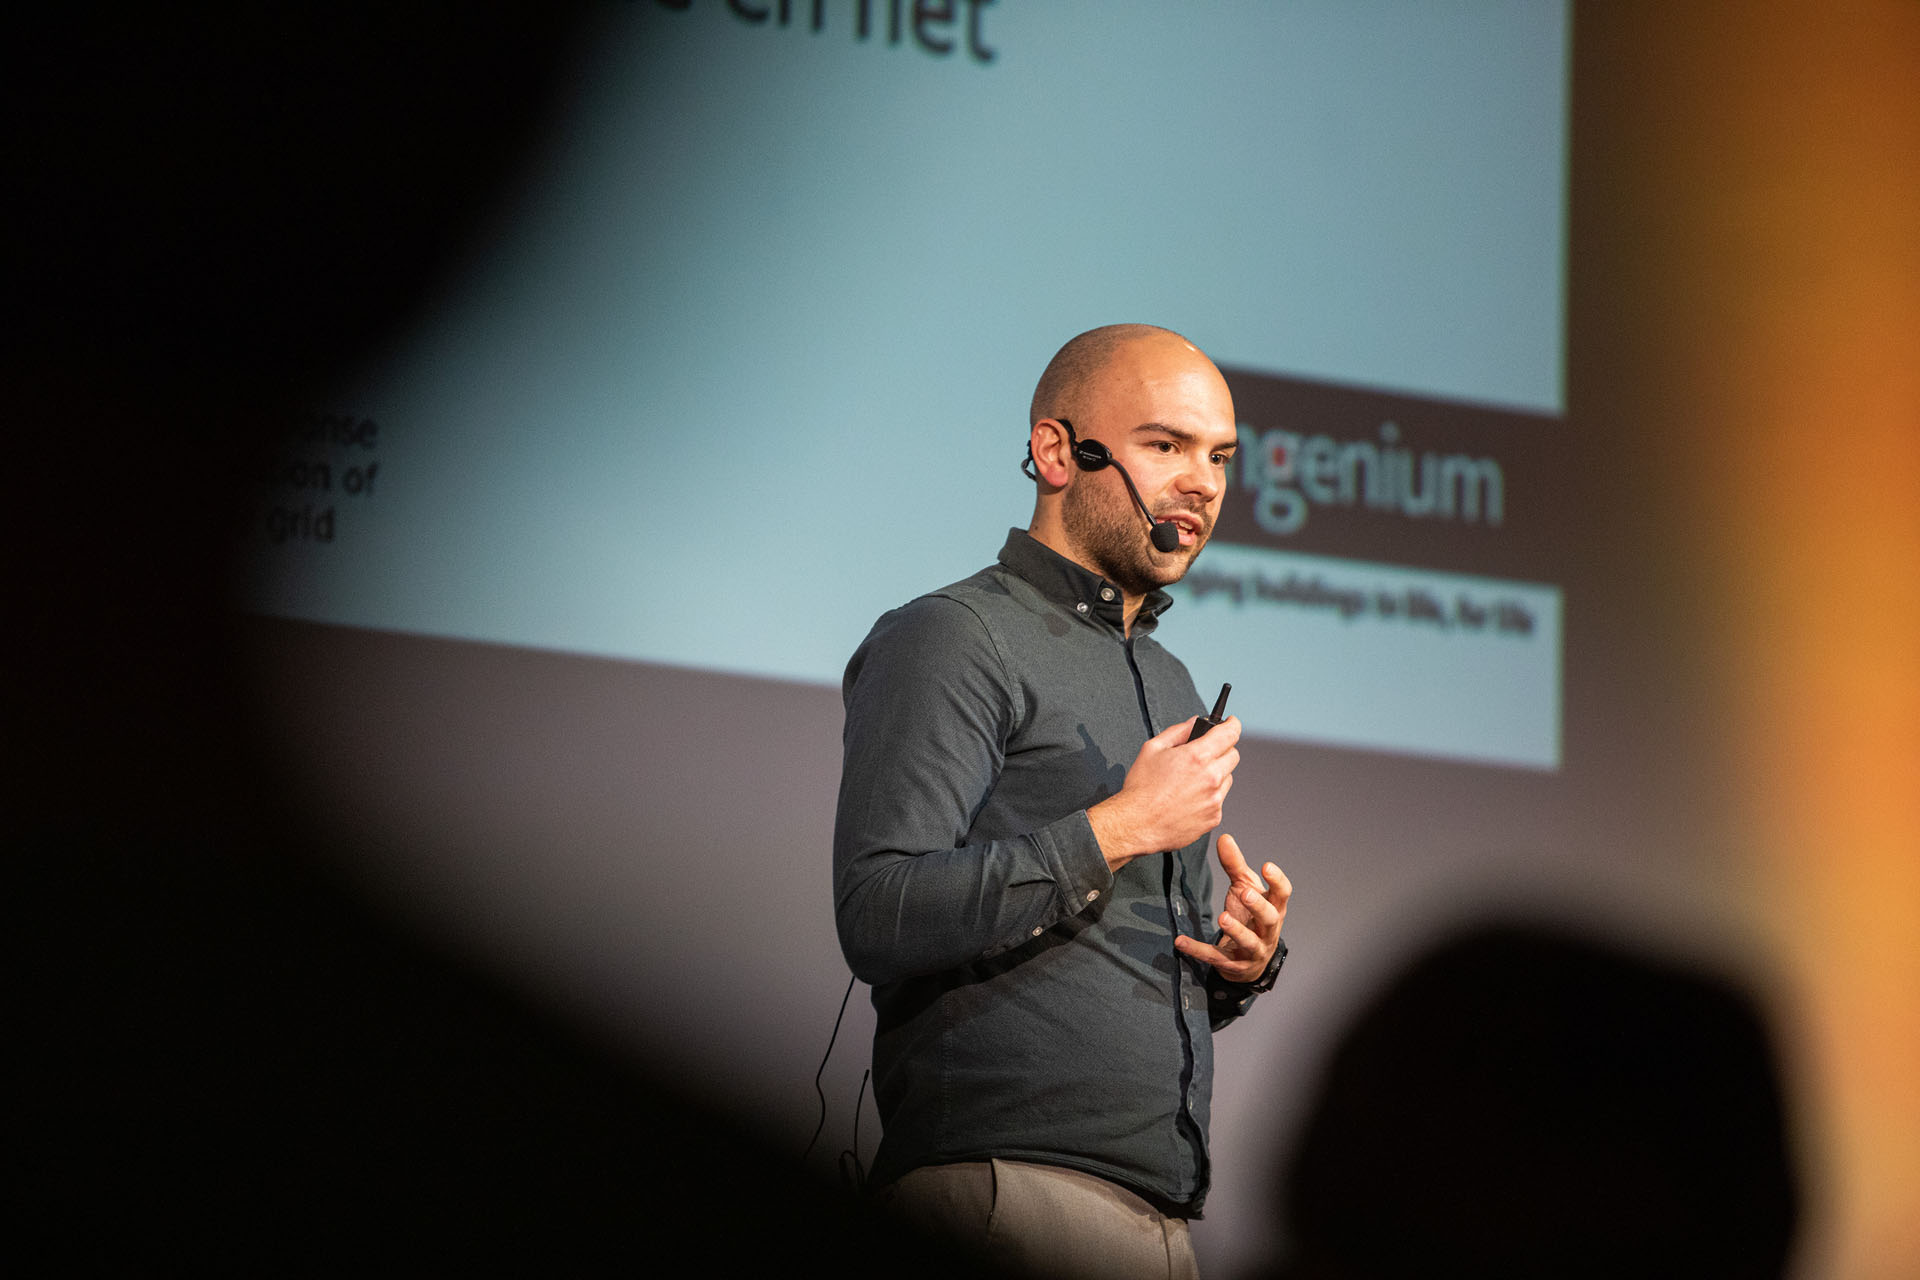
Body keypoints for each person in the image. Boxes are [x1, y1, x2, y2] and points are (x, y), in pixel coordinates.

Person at [833, 324, 1292, 1279]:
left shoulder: (1166, 678)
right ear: (1056, 452)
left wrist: (1235, 968)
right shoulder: (955, 637)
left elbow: (1096, 972)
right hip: (1004, 1193)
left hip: (1159, 1219)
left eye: (1219, 458)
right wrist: (1124, 826)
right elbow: (878, 912)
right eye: (1166, 447)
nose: (1203, 484)